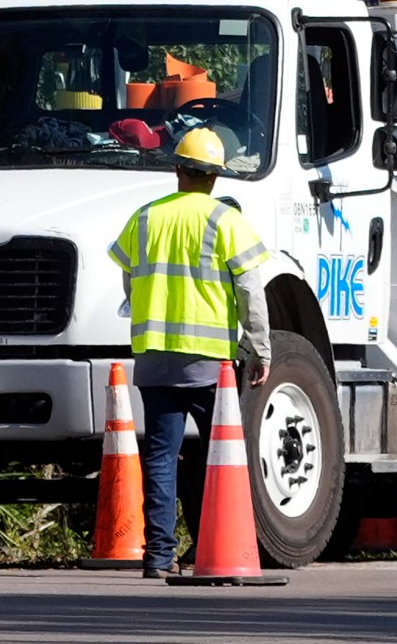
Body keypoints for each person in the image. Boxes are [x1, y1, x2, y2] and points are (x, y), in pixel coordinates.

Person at [108, 127, 271, 579]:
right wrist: (259, 347)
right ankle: (215, 548)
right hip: (210, 363)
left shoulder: (144, 218)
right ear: (215, 177)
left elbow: (130, 281)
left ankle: (159, 556)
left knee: (162, 457)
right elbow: (250, 291)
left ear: (177, 168)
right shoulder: (226, 220)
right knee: (221, 458)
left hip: (155, 357)